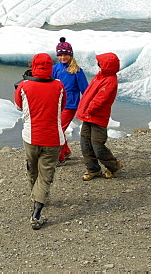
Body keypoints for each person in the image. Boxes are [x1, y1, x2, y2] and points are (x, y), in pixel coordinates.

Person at [13, 52, 66, 230]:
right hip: (53, 138)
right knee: (46, 175)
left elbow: (19, 105)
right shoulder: (58, 85)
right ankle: (37, 208)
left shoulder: (24, 86)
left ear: (33, 66)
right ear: (51, 67)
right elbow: (63, 105)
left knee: (32, 168)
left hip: (31, 136)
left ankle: (36, 198)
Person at [76, 52, 123, 181]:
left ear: (106, 66)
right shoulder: (100, 76)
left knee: (97, 145)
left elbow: (100, 99)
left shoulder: (110, 80)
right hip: (88, 116)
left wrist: (88, 109)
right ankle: (93, 169)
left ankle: (114, 166)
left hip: (97, 117)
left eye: (100, 63)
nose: (98, 65)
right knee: (85, 143)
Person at [52, 41, 89, 165]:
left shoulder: (77, 71)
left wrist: (87, 106)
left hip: (70, 105)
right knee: (58, 129)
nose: (63, 57)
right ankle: (66, 151)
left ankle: (60, 158)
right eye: (60, 55)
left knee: (58, 130)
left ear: (71, 55)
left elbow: (85, 90)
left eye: (66, 55)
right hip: (56, 104)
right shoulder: (54, 69)